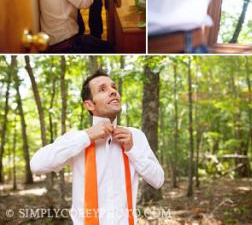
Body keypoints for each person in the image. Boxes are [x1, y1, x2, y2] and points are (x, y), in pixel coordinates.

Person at [31, 70, 164, 224]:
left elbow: (158, 180)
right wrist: (86, 136)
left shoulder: (135, 136)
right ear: (89, 104)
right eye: (103, 89)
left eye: (114, 87)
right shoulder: (76, 139)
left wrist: (132, 149)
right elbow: (36, 165)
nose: (113, 91)